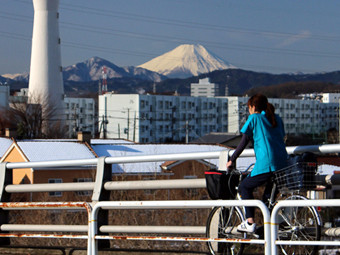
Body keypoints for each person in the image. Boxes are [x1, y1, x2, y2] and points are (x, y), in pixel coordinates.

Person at [226, 94, 288, 233]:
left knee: (244, 187)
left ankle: (249, 222)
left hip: (268, 163)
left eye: (249, 108)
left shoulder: (254, 118)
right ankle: (267, 230)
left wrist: (232, 159)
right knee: (268, 199)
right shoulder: (276, 118)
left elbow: (244, 141)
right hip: (283, 162)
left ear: (253, 107)